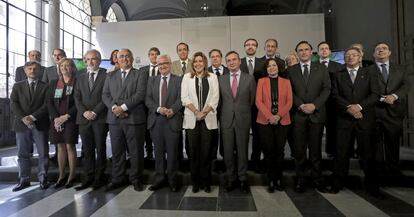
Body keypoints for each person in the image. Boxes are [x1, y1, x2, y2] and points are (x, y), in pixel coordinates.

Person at [330, 47, 382, 198]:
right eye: (347, 55)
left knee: (368, 154)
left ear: (360, 58)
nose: (350, 57)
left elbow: (375, 94)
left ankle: (372, 186)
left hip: (364, 119)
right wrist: (349, 108)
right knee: (341, 153)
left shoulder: (370, 73)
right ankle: (337, 184)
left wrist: (359, 107)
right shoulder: (337, 75)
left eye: (354, 55)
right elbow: (334, 95)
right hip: (344, 119)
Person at [287, 41, 331, 193]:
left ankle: (317, 179)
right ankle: (301, 179)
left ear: (312, 52)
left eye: (306, 50)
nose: (304, 52)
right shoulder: (291, 70)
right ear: (297, 52)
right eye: (300, 50)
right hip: (298, 115)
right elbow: (289, 92)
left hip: (316, 114)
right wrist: (300, 105)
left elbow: (327, 89)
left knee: (316, 150)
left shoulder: (322, 68)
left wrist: (315, 105)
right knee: (299, 151)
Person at [102, 49, 148, 192]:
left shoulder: (140, 74)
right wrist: (115, 108)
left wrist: (123, 107)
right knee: (117, 151)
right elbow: (105, 94)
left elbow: (140, 94)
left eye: (127, 56)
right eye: (121, 56)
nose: (124, 59)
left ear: (132, 59)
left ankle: (136, 179)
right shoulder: (110, 75)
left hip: (134, 118)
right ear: (117, 59)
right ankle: (118, 178)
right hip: (115, 119)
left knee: (136, 152)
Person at [369, 42, 409, 179]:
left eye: (384, 48)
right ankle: (378, 172)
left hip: (394, 112)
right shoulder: (368, 70)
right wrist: (381, 98)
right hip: (375, 112)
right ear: (374, 54)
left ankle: (394, 171)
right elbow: (366, 89)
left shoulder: (401, 69)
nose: (381, 50)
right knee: (376, 145)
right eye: (378, 49)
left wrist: (394, 96)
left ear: (389, 52)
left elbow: (405, 86)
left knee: (393, 143)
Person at [182, 52, 219, 193]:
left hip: (208, 120)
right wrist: (196, 112)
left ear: (205, 63)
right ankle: (195, 182)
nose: (198, 63)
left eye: (200, 61)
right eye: (195, 61)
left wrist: (204, 112)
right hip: (192, 120)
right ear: (193, 64)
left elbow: (215, 98)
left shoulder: (213, 77)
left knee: (206, 153)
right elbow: (184, 98)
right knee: (193, 153)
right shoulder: (186, 77)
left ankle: (206, 182)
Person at [219, 51, 256, 193]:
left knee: (242, 150)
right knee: (228, 152)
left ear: (240, 61)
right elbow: (220, 102)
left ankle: (242, 179)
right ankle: (231, 178)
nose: (231, 62)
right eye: (228, 60)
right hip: (227, 119)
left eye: (234, 59)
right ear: (226, 63)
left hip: (243, 119)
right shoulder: (221, 79)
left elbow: (251, 101)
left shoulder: (249, 78)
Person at [10, 61, 50, 191]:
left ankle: (43, 178)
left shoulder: (46, 86)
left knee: (43, 153)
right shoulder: (17, 86)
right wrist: (24, 117)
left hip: (40, 123)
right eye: (30, 69)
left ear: (40, 71)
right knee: (22, 153)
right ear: (25, 70)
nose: (32, 71)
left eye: (35, 69)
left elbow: (47, 105)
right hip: (22, 124)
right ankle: (24, 180)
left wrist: (32, 117)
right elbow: (14, 103)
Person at [146, 54, 183, 192]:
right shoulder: (151, 80)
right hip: (156, 121)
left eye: (165, 63)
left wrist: (173, 109)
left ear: (170, 64)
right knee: (158, 152)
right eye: (159, 64)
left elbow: (181, 98)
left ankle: (173, 180)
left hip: (172, 120)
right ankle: (160, 179)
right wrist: (158, 109)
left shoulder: (178, 80)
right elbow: (147, 99)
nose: (162, 66)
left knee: (173, 153)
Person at [256, 58, 292, 193]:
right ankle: (271, 180)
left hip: (282, 121)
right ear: (266, 69)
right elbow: (258, 101)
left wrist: (278, 116)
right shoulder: (261, 81)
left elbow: (289, 102)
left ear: (278, 67)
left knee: (280, 151)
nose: (272, 68)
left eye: (274, 65)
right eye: (269, 66)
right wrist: (270, 116)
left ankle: (279, 179)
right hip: (265, 121)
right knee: (269, 151)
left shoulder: (286, 82)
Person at [73, 50, 108, 191]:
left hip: (100, 118)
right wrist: (85, 112)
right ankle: (88, 178)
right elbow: (77, 97)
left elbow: (106, 96)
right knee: (87, 150)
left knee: (100, 148)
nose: (91, 62)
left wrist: (94, 112)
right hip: (84, 119)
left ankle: (99, 178)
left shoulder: (106, 75)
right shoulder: (80, 77)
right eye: (88, 59)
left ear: (99, 60)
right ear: (85, 61)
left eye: (94, 59)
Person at [47, 58, 78, 188]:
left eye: (67, 65)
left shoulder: (77, 82)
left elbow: (78, 102)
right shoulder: (54, 82)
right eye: (62, 66)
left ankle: (72, 175)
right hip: (56, 121)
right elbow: (49, 102)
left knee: (70, 146)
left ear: (72, 68)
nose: (64, 68)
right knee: (60, 147)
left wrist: (66, 116)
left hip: (70, 119)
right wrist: (56, 118)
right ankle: (61, 175)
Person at [240, 38, 265, 173]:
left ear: (256, 47)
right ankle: (242, 161)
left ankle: (255, 161)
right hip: (242, 105)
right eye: (247, 44)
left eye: (253, 45)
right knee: (241, 135)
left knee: (258, 135)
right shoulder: (239, 62)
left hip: (259, 106)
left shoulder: (263, 63)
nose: (250, 47)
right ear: (244, 47)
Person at [316, 41, 344, 157]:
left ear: (330, 52)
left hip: (333, 102)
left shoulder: (339, 67)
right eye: (321, 49)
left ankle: (331, 151)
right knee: (316, 131)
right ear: (318, 52)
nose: (324, 50)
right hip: (317, 102)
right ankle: (315, 153)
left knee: (332, 129)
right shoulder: (313, 65)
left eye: (326, 48)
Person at [138, 47, 161, 160]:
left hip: (158, 104)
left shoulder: (163, 69)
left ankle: (159, 152)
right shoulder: (142, 70)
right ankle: (149, 152)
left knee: (157, 129)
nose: (154, 56)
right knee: (146, 129)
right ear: (149, 56)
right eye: (152, 54)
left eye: (156, 54)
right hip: (143, 105)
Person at [207, 49, 229, 161]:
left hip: (226, 107)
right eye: (212, 56)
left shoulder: (229, 70)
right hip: (211, 108)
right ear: (210, 59)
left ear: (221, 58)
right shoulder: (206, 71)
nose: (215, 58)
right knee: (212, 133)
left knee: (226, 133)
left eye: (217, 56)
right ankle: (213, 157)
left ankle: (225, 156)